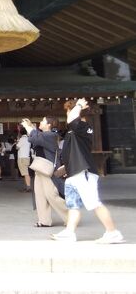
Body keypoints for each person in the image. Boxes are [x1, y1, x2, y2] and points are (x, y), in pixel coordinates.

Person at [51, 99, 124, 243]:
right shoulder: (76, 129)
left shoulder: (81, 126)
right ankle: (69, 233)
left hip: (82, 172)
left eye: (67, 111)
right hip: (74, 172)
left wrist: (77, 105)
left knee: (94, 203)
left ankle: (112, 232)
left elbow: (72, 118)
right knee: (73, 204)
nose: (67, 115)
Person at [22, 117, 68, 227]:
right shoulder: (44, 135)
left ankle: (71, 216)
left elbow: (35, 139)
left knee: (51, 194)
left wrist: (28, 127)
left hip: (48, 169)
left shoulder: (51, 135)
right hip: (40, 167)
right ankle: (44, 220)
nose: (40, 122)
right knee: (40, 195)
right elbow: (34, 137)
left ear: (49, 125)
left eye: (43, 121)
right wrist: (31, 128)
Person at [16, 128, 32, 192]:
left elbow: (17, 147)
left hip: (22, 158)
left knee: (26, 173)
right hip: (27, 157)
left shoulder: (22, 139)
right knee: (26, 173)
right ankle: (28, 186)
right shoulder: (28, 139)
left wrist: (17, 141)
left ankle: (28, 187)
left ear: (20, 133)